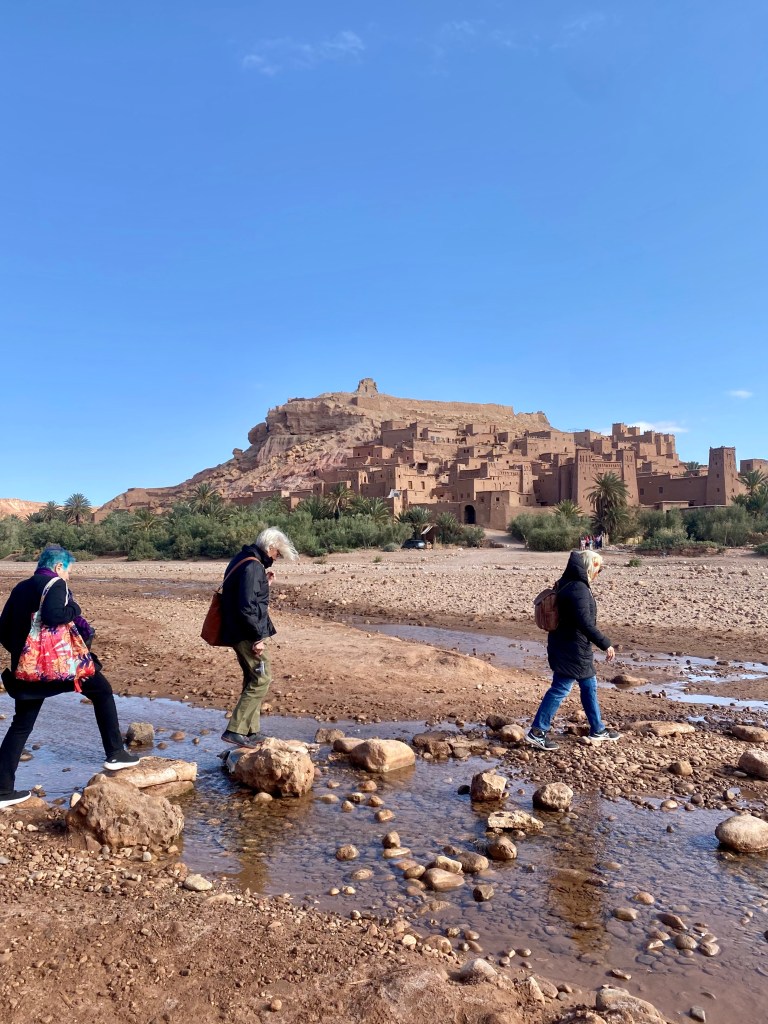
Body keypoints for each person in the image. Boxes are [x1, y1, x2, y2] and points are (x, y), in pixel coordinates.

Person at [0, 546, 142, 809]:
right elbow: (54, 615)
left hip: (26, 671)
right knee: (102, 691)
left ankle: (2, 789)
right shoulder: (56, 584)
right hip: (59, 667)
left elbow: (3, 629)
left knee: (21, 725)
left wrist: (26, 657)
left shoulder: (21, 587)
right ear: (58, 567)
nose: (68, 576)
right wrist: (74, 608)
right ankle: (115, 753)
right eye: (68, 571)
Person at [526, 549, 619, 751]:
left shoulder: (567, 583)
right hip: (572, 648)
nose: (598, 573)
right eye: (598, 568)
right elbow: (585, 623)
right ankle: (537, 731)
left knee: (589, 685)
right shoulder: (579, 589)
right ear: (589, 567)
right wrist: (605, 643)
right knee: (561, 687)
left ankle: (598, 729)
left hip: (569, 645)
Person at [219, 527, 298, 747]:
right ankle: (235, 730)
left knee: (252, 678)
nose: (276, 558)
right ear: (270, 547)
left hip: (236, 630)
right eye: (277, 553)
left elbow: (245, 595)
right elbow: (246, 607)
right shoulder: (253, 566)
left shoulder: (243, 559)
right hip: (246, 634)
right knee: (262, 678)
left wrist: (264, 582)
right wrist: (257, 638)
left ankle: (251, 731)